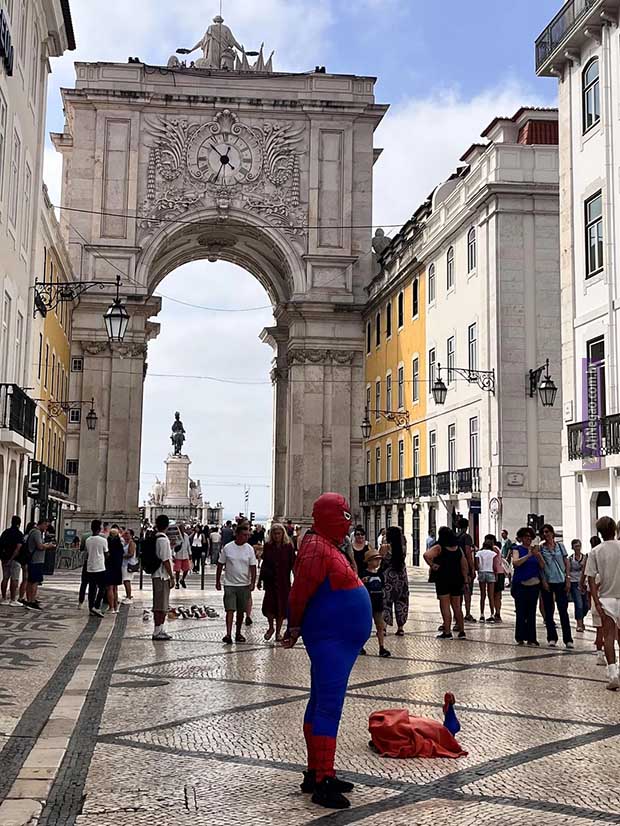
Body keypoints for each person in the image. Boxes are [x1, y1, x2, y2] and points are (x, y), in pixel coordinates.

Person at [284, 493, 371, 810]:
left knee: (320, 701)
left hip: (337, 640)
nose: (348, 525)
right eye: (344, 517)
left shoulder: (324, 546)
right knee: (328, 707)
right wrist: (293, 626)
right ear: (330, 518)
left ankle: (317, 772)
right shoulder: (316, 549)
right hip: (330, 640)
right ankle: (322, 782)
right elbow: (299, 593)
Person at [586, 516, 620, 690]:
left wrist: (596, 601)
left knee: (608, 637)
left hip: (606, 599)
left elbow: (591, 579)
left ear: (599, 532)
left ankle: (613, 674)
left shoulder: (595, 551)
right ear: (614, 530)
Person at [216, 521, 257, 644]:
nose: (246, 537)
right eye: (244, 535)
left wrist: (253, 582)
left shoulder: (249, 549)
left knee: (241, 611)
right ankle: (228, 634)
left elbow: (253, 567)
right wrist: (217, 581)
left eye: (248, 535)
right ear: (237, 535)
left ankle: (238, 632)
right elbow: (220, 564)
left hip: (244, 584)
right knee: (230, 609)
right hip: (230, 584)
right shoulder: (228, 548)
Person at [424, 526, 467, 639]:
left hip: (443, 579)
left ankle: (447, 632)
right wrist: (465, 580)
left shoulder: (439, 547)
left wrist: (432, 565)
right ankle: (462, 631)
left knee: (445, 606)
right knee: (457, 607)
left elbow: (426, 555)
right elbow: (464, 565)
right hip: (457, 579)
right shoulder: (458, 548)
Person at [258, 522, 295, 642]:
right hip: (270, 581)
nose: (276, 536)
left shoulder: (288, 547)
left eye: (278, 533)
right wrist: (260, 579)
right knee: (269, 606)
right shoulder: (268, 546)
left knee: (281, 608)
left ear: (283, 534)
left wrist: (296, 579)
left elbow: (293, 564)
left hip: (283, 581)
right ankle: (271, 627)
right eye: (274, 534)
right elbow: (264, 563)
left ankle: (278, 632)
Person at [539, 524, 574, 649]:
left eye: (547, 531)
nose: (546, 534)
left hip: (560, 580)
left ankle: (568, 639)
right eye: (543, 532)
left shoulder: (560, 546)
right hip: (548, 581)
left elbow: (566, 562)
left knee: (563, 610)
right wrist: (543, 580)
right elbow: (540, 565)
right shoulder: (541, 548)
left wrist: (568, 578)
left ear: (552, 533)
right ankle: (552, 637)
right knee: (549, 611)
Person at [511, 526, 545, 646]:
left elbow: (542, 565)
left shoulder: (535, 550)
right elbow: (516, 563)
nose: (528, 539)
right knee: (521, 611)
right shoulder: (517, 549)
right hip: (521, 585)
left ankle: (532, 637)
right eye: (526, 536)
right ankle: (520, 636)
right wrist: (528, 555)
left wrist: (537, 555)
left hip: (534, 584)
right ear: (521, 538)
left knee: (531, 612)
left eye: (530, 537)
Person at [361, 547, 391, 657]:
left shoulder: (380, 574)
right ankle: (361, 646)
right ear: (368, 561)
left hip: (378, 604)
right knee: (365, 626)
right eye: (375, 559)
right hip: (367, 604)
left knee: (380, 626)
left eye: (379, 559)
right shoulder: (363, 574)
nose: (378, 562)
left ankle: (381, 647)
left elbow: (382, 587)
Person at [381, 526, 409, 636]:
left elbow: (380, 560)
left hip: (388, 578)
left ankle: (384, 628)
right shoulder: (402, 548)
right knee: (402, 601)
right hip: (401, 578)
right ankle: (400, 628)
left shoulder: (385, 547)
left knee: (386, 602)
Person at [152, 514, 175, 641]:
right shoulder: (163, 540)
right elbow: (165, 560)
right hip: (162, 576)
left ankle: (160, 629)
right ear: (167, 526)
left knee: (162, 604)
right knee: (160, 605)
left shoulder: (157, 537)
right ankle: (157, 631)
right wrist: (172, 576)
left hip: (158, 575)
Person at [24, 518, 55, 610]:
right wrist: (49, 546)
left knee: (31, 581)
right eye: (46, 525)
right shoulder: (37, 532)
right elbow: (40, 546)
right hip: (36, 560)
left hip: (33, 560)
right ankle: (32, 601)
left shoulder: (33, 532)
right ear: (42, 524)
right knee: (35, 581)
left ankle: (30, 599)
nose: (46, 528)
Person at [85, 520, 108, 618]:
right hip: (100, 567)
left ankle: (91, 608)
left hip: (90, 567)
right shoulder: (103, 540)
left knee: (92, 588)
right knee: (102, 587)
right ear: (99, 529)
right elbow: (106, 553)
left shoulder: (88, 540)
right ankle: (97, 606)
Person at [0, 516, 24, 607]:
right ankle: (13, 599)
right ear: (19, 524)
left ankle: (4, 598)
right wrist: (11, 559)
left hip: (4, 558)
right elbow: (18, 548)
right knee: (14, 579)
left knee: (5, 578)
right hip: (15, 559)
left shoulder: (5, 532)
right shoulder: (19, 534)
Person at [456, 517, 476, 623]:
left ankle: (457, 612)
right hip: (465, 567)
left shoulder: (455, 536)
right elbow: (468, 553)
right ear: (467, 526)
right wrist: (472, 568)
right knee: (467, 591)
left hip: (456, 567)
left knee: (458, 592)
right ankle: (467, 613)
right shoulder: (467, 537)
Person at [475, 537, 497, 623]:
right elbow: (494, 566)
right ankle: (492, 614)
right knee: (491, 595)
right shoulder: (493, 554)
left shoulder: (478, 553)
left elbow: (477, 565)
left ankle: (482, 615)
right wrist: (496, 574)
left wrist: (479, 570)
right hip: (490, 573)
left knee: (482, 595)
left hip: (482, 572)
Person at [569, 539, 588, 633]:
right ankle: (579, 624)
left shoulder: (585, 557)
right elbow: (568, 570)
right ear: (573, 547)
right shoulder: (570, 558)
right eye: (576, 546)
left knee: (586, 605)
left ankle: (581, 618)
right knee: (578, 603)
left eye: (579, 546)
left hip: (584, 582)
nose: (578, 548)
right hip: (574, 582)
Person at [105, 526, 124, 613]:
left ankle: (111, 607)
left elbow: (106, 555)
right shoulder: (119, 545)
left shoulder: (108, 544)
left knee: (110, 587)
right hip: (117, 567)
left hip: (109, 566)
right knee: (115, 588)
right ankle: (116, 607)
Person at [121, 528, 137, 602]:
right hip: (124, 564)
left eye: (127, 533)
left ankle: (129, 596)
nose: (125, 535)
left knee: (127, 580)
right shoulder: (125, 543)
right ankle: (128, 595)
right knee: (125, 580)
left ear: (131, 535)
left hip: (128, 564)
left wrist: (121, 556)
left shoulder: (131, 543)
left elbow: (131, 554)